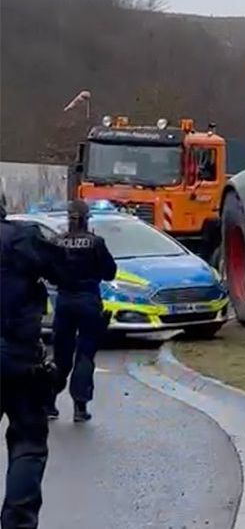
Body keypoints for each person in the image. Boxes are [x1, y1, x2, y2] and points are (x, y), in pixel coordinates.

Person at [1, 195, 62, 529]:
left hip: (17, 353)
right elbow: (65, 270)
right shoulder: (23, 238)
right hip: (18, 355)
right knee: (28, 443)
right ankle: (17, 523)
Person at [49, 201, 116, 424]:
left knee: (61, 354)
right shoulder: (95, 243)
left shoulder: (57, 242)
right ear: (87, 218)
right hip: (88, 300)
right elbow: (110, 273)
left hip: (65, 301)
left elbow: (50, 272)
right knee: (85, 354)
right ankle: (80, 406)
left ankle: (49, 402)